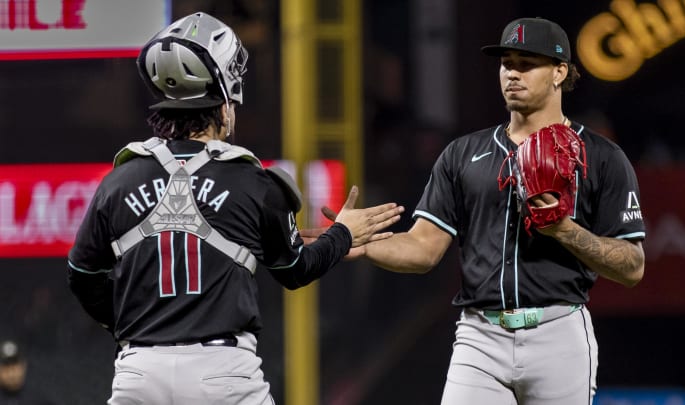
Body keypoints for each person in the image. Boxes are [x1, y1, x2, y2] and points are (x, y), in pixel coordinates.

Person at [66, 12, 404, 405]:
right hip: (222, 372)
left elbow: (81, 276)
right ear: (222, 103)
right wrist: (342, 234)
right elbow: (295, 270)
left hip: (140, 371)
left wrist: (130, 322)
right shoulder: (253, 181)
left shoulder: (117, 182)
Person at [307, 17, 646, 405]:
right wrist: (362, 245)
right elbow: (423, 249)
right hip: (481, 336)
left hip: (558, 332)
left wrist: (564, 230)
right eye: (507, 63)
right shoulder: (463, 155)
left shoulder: (601, 158)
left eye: (526, 63)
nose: (512, 73)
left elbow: (632, 266)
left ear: (559, 72)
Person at [0, 339, 55, 404]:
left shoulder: (38, 399)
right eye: (6, 368)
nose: (12, 375)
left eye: (14, 368)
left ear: (24, 366)